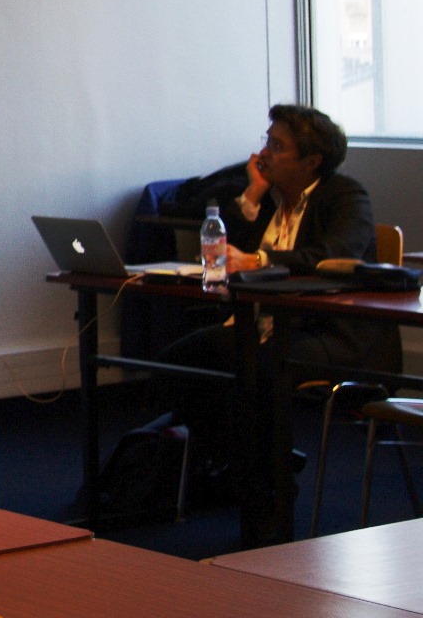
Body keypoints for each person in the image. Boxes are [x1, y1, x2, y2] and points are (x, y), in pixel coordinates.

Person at [159, 104, 397, 508]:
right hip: (262, 325)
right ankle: (247, 466)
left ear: (311, 161)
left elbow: (333, 255)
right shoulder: (268, 199)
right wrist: (252, 193)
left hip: (332, 334)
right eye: (266, 141)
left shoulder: (345, 195)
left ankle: (270, 488)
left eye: (277, 146)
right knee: (178, 364)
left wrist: (260, 260)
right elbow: (223, 249)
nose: (263, 153)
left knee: (254, 366)